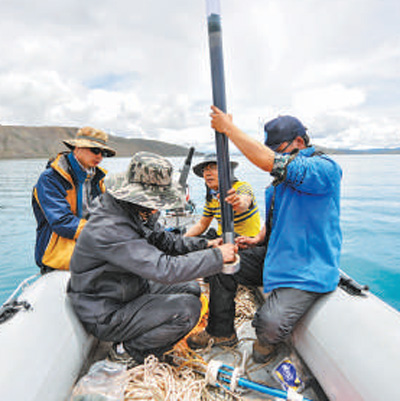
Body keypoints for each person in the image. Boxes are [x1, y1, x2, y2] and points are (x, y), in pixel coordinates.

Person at [187, 107, 342, 364]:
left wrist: (229, 129)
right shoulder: (279, 184)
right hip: (274, 256)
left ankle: (266, 340)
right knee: (220, 263)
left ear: (300, 142)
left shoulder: (324, 169)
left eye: (277, 149)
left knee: (267, 325)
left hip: (307, 268)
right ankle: (221, 332)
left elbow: (269, 163)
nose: (274, 156)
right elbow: (277, 217)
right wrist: (259, 238)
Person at [67, 151, 237, 365]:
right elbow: (165, 269)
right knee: (187, 310)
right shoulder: (111, 227)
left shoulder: (133, 210)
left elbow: (165, 241)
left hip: (127, 288)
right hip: (105, 309)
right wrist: (216, 257)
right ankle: (127, 351)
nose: (158, 207)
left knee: (192, 289)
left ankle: (142, 335)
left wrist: (205, 244)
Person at [32, 126, 116, 273]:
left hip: (89, 247)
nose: (100, 157)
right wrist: (105, 231)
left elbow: (106, 214)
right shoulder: (50, 179)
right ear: (77, 148)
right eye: (95, 150)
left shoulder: (97, 179)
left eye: (104, 153)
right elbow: (63, 223)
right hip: (57, 257)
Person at [184, 153, 261, 239]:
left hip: (246, 241)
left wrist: (238, 202)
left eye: (213, 168)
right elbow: (202, 224)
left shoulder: (242, 187)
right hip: (221, 238)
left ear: (227, 171)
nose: (207, 173)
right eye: (205, 170)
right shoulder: (212, 197)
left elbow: (244, 202)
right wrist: (182, 240)